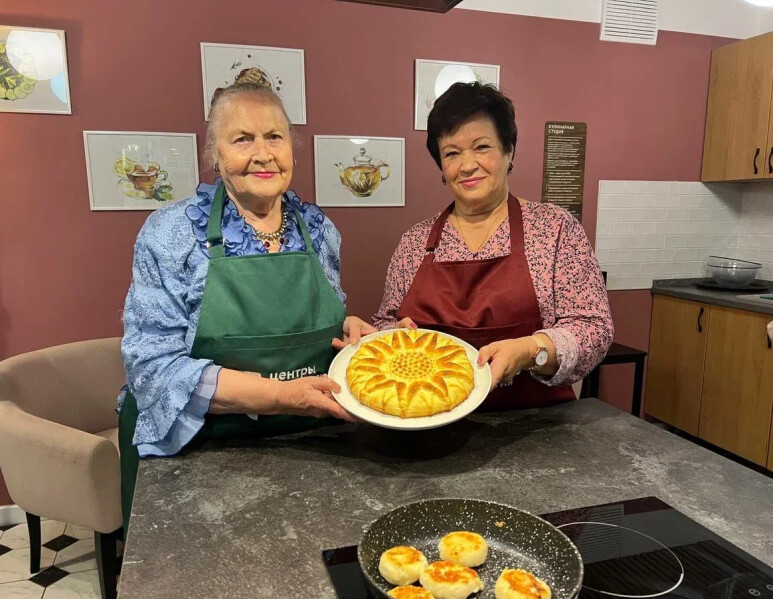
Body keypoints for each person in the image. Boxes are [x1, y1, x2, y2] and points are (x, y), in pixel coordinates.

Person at [118, 82, 374, 528]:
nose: (263, 153)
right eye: (242, 139)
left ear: (292, 150)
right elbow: (151, 367)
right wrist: (277, 394)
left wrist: (347, 329)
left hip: (311, 441)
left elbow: (307, 322)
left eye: (274, 137)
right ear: (213, 156)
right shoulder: (170, 233)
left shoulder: (319, 228)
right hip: (202, 444)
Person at [372, 82, 613, 409]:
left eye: (481, 147)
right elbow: (384, 325)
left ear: (508, 150)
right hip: (429, 421)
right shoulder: (415, 242)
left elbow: (594, 329)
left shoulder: (554, 229)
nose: (467, 165)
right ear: (442, 166)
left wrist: (530, 350)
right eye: (452, 153)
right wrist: (394, 337)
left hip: (535, 427)